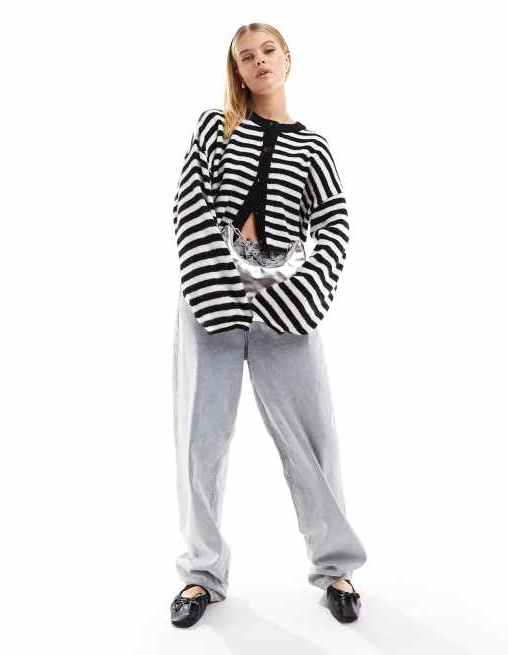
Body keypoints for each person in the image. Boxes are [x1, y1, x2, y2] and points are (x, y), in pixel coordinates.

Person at [169, 22, 367, 628]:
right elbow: (189, 205)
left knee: (313, 439)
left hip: (286, 297)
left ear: (287, 58)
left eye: (268, 51)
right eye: (246, 56)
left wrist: (301, 292)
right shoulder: (215, 128)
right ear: (236, 68)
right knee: (201, 440)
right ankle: (202, 574)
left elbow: (333, 223)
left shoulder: (313, 148)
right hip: (211, 293)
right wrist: (216, 286)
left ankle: (336, 568)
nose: (258, 61)